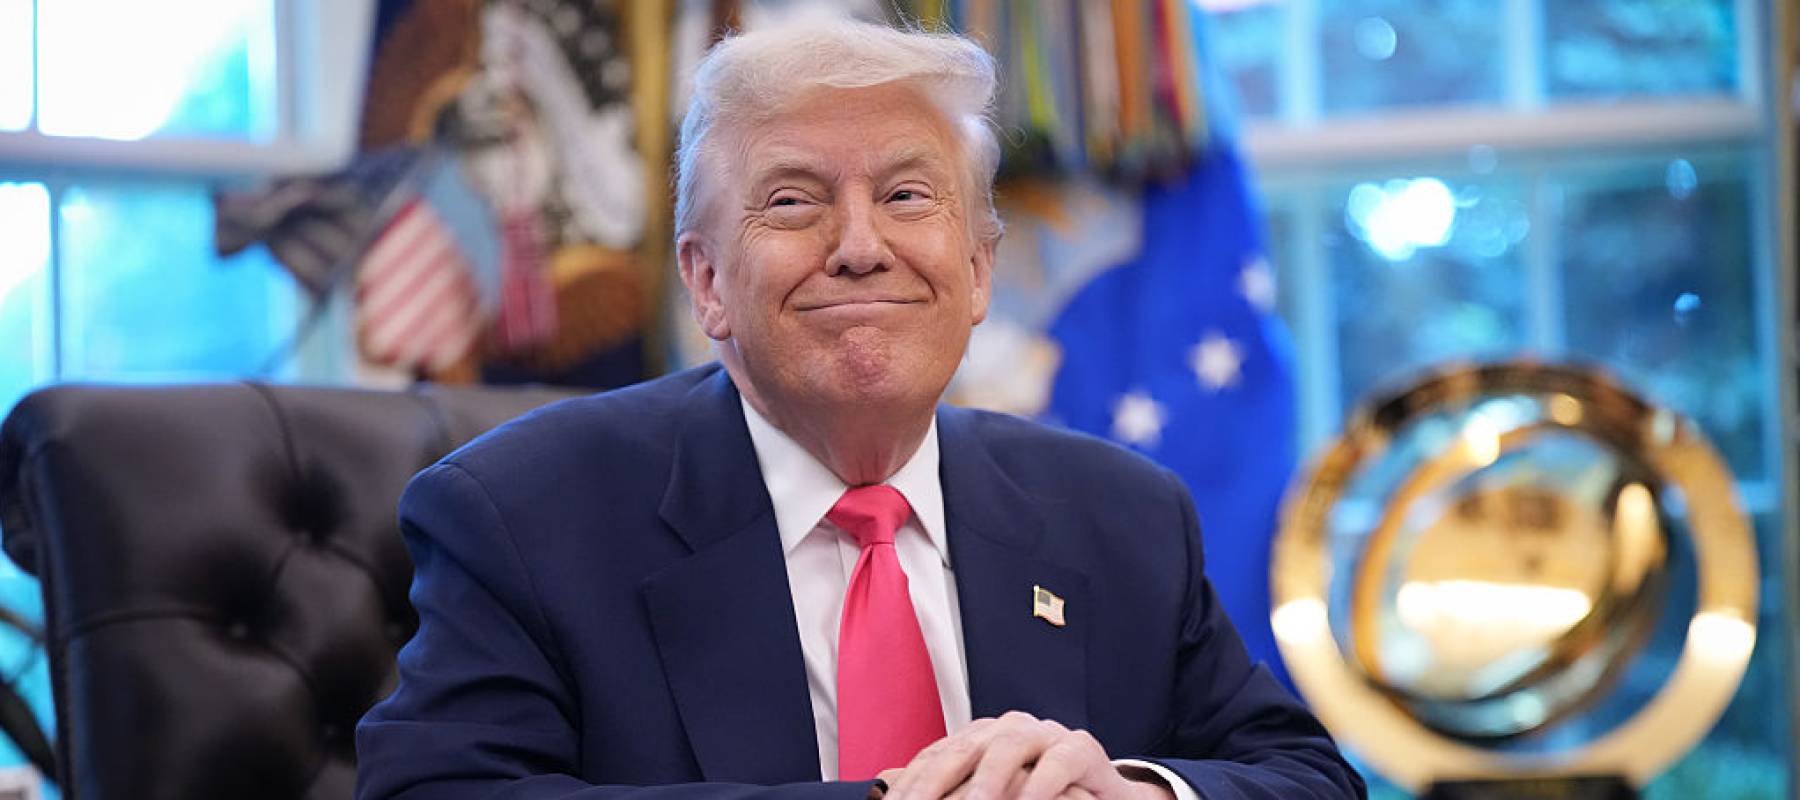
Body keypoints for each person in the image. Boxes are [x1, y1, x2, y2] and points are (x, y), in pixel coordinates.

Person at [356, 20, 1365, 800]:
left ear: (977, 272)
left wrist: (1129, 786)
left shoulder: (1120, 512)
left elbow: (1308, 774)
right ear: (706, 282)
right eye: (793, 201)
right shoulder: (521, 513)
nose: (859, 245)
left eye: (909, 197)